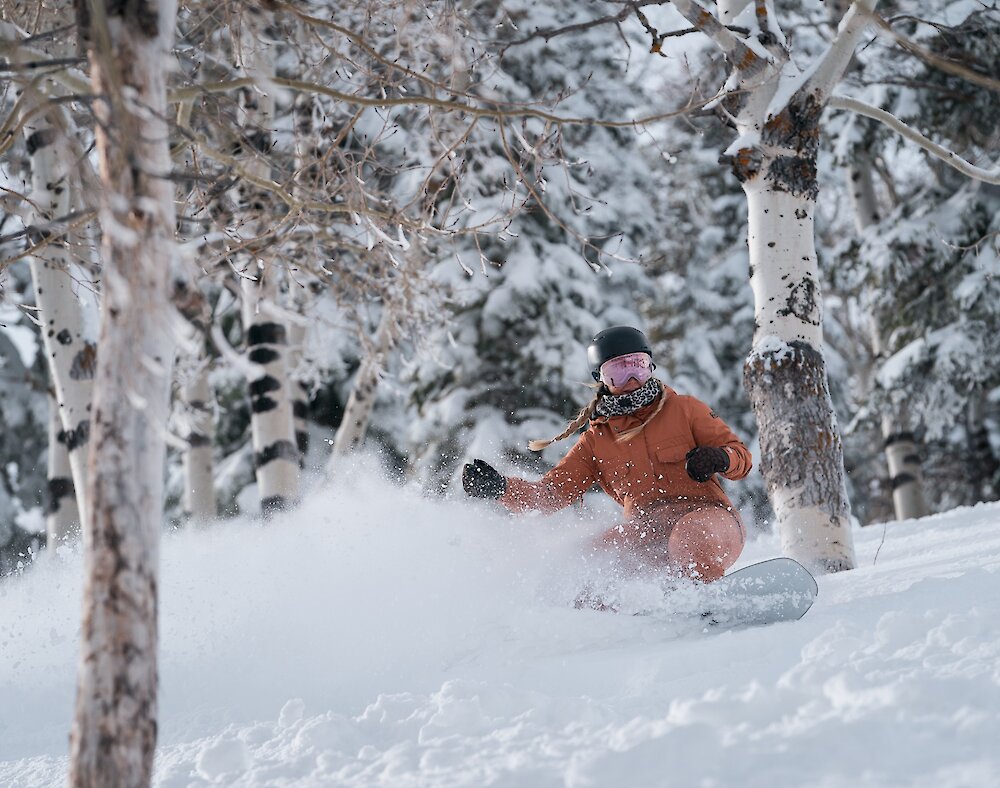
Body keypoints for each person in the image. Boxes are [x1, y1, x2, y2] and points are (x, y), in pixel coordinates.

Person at [462, 326, 752, 583]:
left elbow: (741, 456)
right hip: (648, 531)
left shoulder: (685, 410)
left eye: (638, 366)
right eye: (618, 372)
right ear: (601, 379)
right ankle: (599, 618)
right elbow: (551, 494)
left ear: (651, 366)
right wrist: (502, 489)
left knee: (689, 537)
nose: (631, 379)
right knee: (590, 562)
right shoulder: (596, 441)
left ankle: (710, 604)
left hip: (711, 520)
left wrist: (720, 458)